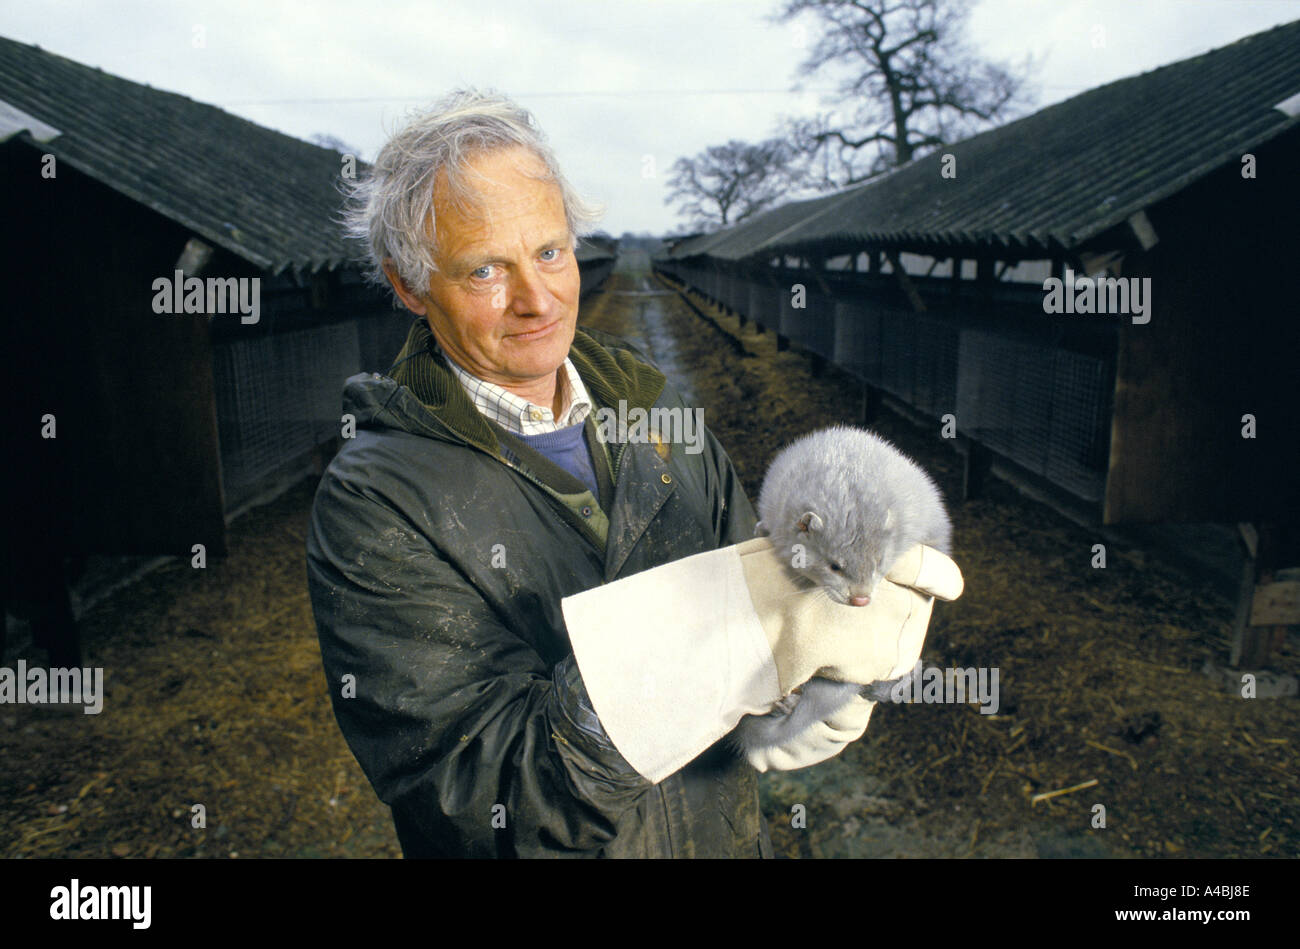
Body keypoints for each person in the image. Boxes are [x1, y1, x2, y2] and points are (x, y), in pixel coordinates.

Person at [305, 88, 963, 858]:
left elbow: (765, 608)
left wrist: (811, 690)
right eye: (486, 269)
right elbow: (484, 799)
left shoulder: (655, 409)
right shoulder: (376, 505)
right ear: (409, 284)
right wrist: (720, 642)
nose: (537, 298)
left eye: (551, 251)